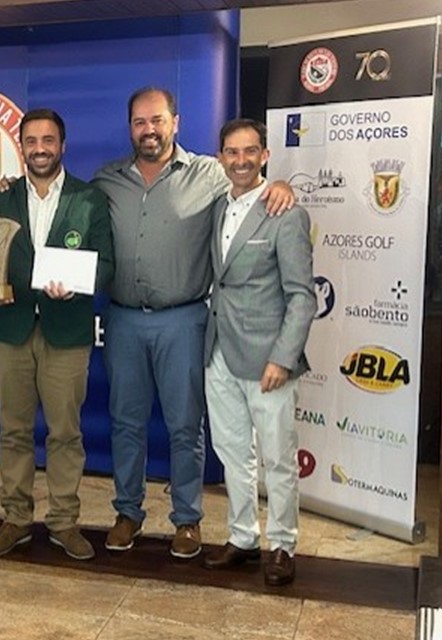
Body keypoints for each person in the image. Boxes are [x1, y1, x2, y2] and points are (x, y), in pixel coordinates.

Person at [92, 87, 295, 558]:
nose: (149, 130)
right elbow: (66, 202)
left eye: (157, 120)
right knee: (125, 423)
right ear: (130, 128)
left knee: (186, 426)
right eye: (140, 122)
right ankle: (127, 513)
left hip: (184, 321)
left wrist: (280, 184)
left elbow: (249, 187)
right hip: (122, 321)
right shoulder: (107, 179)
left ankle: (187, 519)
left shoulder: (210, 173)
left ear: (176, 123)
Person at [0, 109, 114, 560]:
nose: (40, 149)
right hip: (11, 328)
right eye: (31, 141)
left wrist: (77, 285)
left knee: (65, 433)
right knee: (13, 430)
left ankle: (64, 521)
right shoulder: (1, 198)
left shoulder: (89, 199)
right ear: (22, 147)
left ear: (62, 146)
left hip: (66, 331)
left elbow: (107, 265)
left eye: (48, 140)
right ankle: (16, 518)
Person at [201, 119, 315, 586]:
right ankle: (243, 537)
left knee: (278, 459)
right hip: (218, 353)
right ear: (221, 158)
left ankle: (283, 545)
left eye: (250, 151)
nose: (241, 160)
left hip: (268, 360)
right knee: (232, 453)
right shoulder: (217, 207)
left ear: (265, 155)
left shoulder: (285, 213)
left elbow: (302, 296)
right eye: (232, 152)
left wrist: (283, 358)